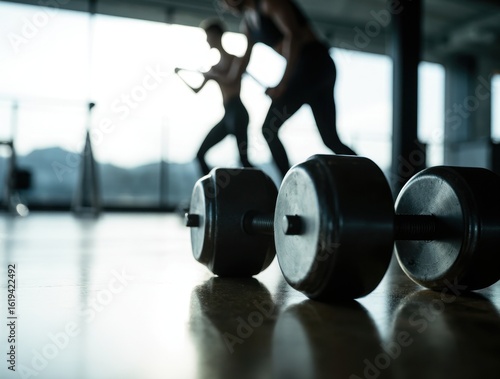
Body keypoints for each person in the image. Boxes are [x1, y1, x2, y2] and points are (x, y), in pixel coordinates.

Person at [220, 0, 356, 177]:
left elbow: (294, 36)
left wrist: (282, 84)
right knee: (330, 139)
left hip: (315, 63)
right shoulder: (248, 23)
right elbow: (244, 60)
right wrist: (225, 78)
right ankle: (370, 183)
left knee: (269, 128)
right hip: (306, 70)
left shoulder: (269, 3)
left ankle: (291, 189)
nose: (223, 3)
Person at [175, 19, 253, 176]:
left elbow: (231, 80)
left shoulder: (234, 60)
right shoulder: (213, 67)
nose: (206, 40)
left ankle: (263, 194)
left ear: (216, 35)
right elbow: (196, 90)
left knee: (244, 160)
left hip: (238, 112)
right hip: (227, 114)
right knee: (200, 154)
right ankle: (214, 193)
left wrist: (213, 76)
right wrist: (180, 75)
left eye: (207, 36)